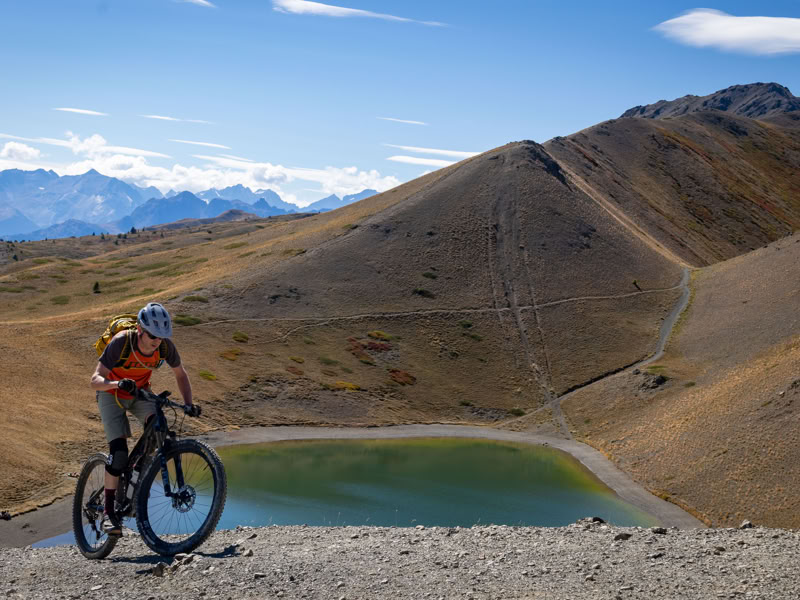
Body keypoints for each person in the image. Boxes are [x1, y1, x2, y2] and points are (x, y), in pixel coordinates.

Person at [89, 302, 199, 536]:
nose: (157, 340)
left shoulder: (165, 347)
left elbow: (181, 374)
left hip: (140, 392)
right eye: (152, 335)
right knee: (118, 454)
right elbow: (95, 380)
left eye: (162, 336)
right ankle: (108, 513)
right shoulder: (122, 342)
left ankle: (137, 472)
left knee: (159, 427)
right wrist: (117, 383)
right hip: (111, 393)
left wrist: (189, 404)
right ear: (140, 329)